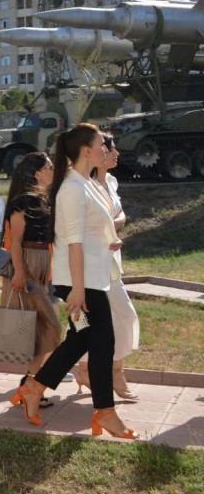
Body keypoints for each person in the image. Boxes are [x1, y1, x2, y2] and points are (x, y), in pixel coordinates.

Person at [11, 124, 139, 440]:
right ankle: (105, 412)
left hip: (93, 275)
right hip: (80, 281)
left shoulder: (88, 183)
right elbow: (74, 243)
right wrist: (78, 290)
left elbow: (99, 225)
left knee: (82, 339)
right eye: (101, 144)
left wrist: (109, 241)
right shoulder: (72, 187)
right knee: (103, 340)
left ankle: (34, 387)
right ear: (86, 149)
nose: (106, 149)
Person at [0, 152, 61, 386]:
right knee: (29, 319)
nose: (53, 170)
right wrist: (20, 272)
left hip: (43, 260)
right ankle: (33, 378)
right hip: (27, 262)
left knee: (33, 319)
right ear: (38, 172)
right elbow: (17, 241)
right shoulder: (23, 201)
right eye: (49, 167)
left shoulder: (45, 199)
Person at [81, 134, 140, 400]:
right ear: (98, 152)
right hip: (91, 260)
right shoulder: (85, 185)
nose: (116, 153)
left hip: (112, 260)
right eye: (111, 148)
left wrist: (112, 225)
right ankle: (112, 371)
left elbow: (121, 215)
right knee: (111, 317)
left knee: (118, 318)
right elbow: (88, 225)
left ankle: (94, 369)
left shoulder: (112, 181)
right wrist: (110, 226)